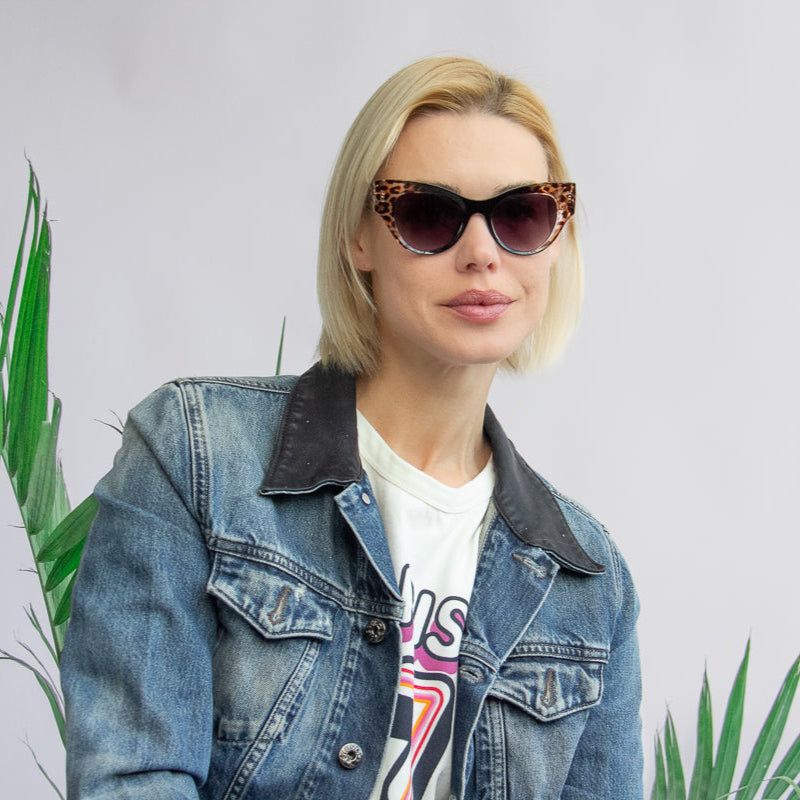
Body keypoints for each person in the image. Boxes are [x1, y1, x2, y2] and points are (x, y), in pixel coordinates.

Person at [61, 56, 643, 800]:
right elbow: (131, 779)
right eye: (428, 213)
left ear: (557, 238)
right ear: (357, 237)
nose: (482, 254)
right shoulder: (196, 455)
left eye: (520, 214)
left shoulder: (589, 581)